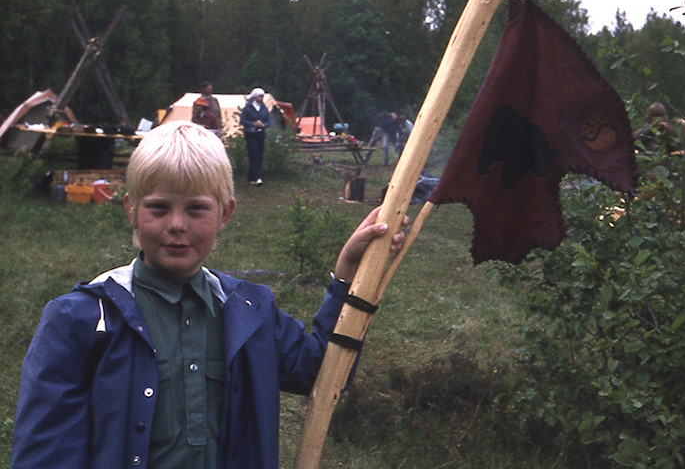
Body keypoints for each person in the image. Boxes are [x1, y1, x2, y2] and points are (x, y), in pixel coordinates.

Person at [10, 120, 407, 469]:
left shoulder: (249, 311)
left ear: (225, 214)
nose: (177, 225)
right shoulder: (79, 320)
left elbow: (323, 371)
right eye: (158, 208)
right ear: (130, 209)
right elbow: (46, 452)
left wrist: (347, 278)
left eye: (197, 209)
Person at [240, 87, 270, 185]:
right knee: (254, 154)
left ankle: (251, 176)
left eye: (262, 97)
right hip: (251, 133)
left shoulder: (264, 108)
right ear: (254, 97)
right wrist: (253, 123)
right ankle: (257, 177)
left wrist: (263, 125)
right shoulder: (248, 108)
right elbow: (242, 120)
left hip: (261, 133)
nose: (261, 98)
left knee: (260, 155)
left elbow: (268, 121)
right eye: (260, 96)